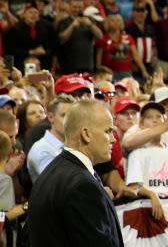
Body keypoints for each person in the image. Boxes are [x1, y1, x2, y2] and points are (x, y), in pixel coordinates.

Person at [28, 100, 125, 247]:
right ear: (86, 134)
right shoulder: (83, 186)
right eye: (108, 131)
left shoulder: (53, 171)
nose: (113, 139)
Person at [26, 94, 74, 181]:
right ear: (51, 117)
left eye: (72, 116)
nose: (70, 121)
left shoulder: (74, 145)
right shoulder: (41, 150)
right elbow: (60, 184)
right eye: (64, 115)